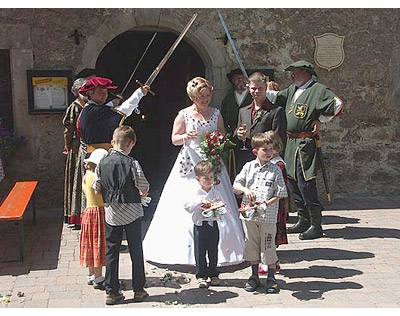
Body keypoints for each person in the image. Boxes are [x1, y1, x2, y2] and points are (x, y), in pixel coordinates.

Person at [143, 76, 245, 267]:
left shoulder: (216, 113)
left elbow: (222, 133)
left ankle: (226, 247)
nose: (205, 100)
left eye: (207, 96)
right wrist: (185, 136)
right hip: (190, 163)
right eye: (201, 97)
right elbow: (174, 139)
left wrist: (219, 140)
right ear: (193, 97)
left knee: (219, 198)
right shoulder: (183, 114)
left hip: (212, 161)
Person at [273, 60, 344, 240]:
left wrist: (320, 119)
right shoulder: (292, 90)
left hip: (305, 144)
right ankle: (303, 220)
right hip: (290, 142)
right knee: (293, 182)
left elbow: (337, 105)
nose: (292, 75)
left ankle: (315, 224)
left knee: (305, 182)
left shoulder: (318, 90)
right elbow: (274, 97)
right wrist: (258, 87)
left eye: (295, 72)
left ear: (305, 73)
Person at [94, 125, 150, 305]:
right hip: (132, 212)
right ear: (131, 143)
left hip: (112, 213)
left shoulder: (102, 163)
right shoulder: (132, 162)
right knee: (136, 250)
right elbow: (143, 185)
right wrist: (143, 193)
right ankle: (139, 290)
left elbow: (97, 186)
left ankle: (112, 292)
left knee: (111, 250)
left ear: (112, 142)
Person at [233, 132, 288, 294]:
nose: (269, 152)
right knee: (252, 243)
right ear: (256, 151)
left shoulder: (275, 169)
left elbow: (280, 193)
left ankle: (271, 276)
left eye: (271, 149)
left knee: (268, 244)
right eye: (265, 149)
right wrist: (245, 190)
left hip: (268, 216)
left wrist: (266, 203)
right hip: (249, 214)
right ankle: (254, 275)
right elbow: (236, 184)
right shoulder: (249, 167)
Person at [78, 76, 150, 157]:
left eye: (106, 91)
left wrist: (112, 103)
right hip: (100, 156)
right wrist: (139, 93)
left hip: (96, 154)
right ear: (91, 93)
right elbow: (123, 110)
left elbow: (105, 109)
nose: (105, 94)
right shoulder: (93, 111)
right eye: (101, 91)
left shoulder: (89, 109)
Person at [183, 160, 227, 288]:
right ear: (198, 179)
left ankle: (214, 273)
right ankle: (201, 275)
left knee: (213, 250)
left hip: (213, 224)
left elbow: (222, 208)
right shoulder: (195, 193)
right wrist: (201, 202)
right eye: (205, 178)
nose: (209, 181)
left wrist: (218, 206)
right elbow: (187, 207)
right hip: (200, 225)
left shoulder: (216, 192)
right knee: (200, 251)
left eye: (211, 177)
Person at [235, 72, 287, 178]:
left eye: (260, 88)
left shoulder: (276, 111)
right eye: (254, 88)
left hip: (268, 162)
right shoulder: (243, 111)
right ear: (248, 88)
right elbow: (238, 133)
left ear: (265, 88)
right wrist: (238, 134)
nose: (257, 91)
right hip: (247, 161)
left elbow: (279, 140)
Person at [257, 131, 290, 275]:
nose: (268, 152)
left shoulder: (278, 165)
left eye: (270, 148)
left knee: (271, 235)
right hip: (263, 203)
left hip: (274, 205)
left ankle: (271, 262)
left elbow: (282, 187)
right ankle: (268, 261)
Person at [62, 77, 89, 229]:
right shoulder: (75, 107)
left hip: (86, 145)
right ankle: (75, 215)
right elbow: (68, 129)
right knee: (76, 179)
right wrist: (67, 145)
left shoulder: (89, 105)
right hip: (77, 146)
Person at [79, 148, 108, 290]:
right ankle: (98, 277)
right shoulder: (95, 177)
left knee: (90, 244)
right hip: (98, 212)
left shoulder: (86, 175)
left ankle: (91, 274)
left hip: (88, 212)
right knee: (98, 244)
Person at [221, 68, 254, 182]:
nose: (240, 80)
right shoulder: (228, 98)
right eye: (236, 78)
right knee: (235, 168)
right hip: (234, 140)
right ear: (232, 81)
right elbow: (223, 118)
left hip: (251, 138)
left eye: (242, 77)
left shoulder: (252, 96)